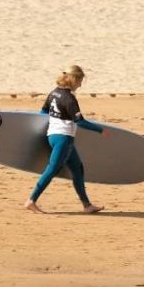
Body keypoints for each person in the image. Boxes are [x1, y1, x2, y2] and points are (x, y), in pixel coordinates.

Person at [25, 65, 107, 214]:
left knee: (77, 168)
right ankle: (31, 200)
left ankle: (87, 205)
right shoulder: (69, 99)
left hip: (53, 135)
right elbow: (80, 122)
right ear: (73, 79)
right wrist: (101, 130)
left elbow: (43, 112)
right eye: (80, 81)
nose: (81, 85)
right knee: (52, 169)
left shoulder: (54, 93)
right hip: (64, 138)